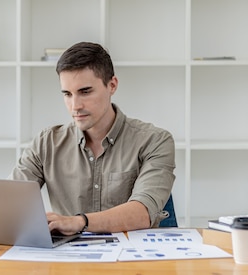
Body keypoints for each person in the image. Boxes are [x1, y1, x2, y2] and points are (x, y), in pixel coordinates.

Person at [9, 42, 175, 235]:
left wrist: (79, 222)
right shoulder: (46, 143)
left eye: (85, 92)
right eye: (67, 94)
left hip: (131, 259)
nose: (75, 105)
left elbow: (143, 212)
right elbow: (10, 201)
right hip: (69, 258)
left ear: (112, 85)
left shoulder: (155, 141)